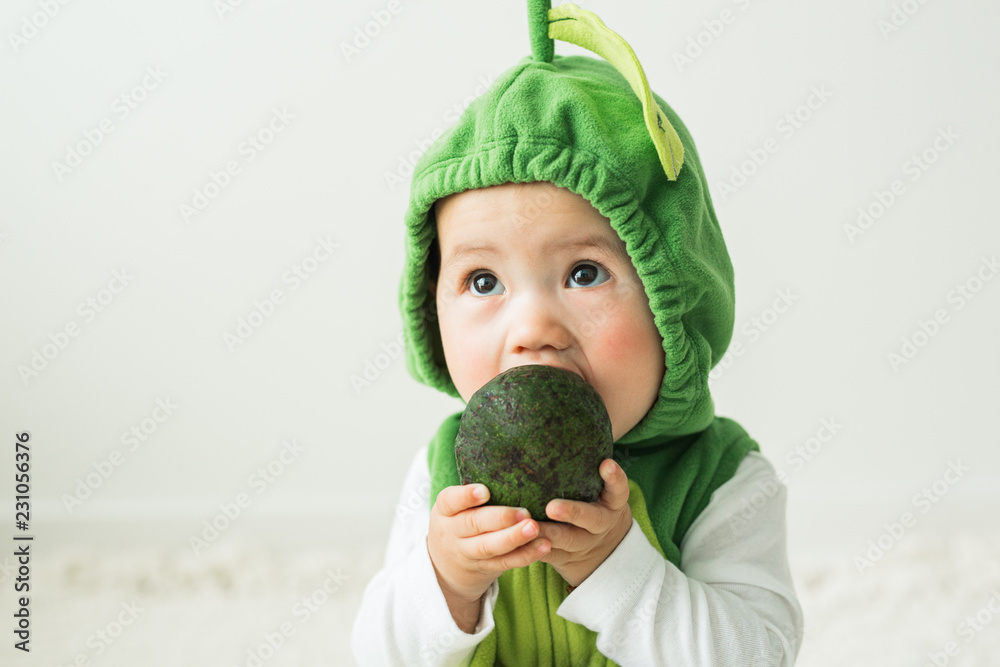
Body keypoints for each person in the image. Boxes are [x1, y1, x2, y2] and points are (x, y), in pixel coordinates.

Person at [353, 1, 804, 664]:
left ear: (671, 294)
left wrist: (615, 566)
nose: (533, 328)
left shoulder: (721, 480)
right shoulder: (443, 471)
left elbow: (756, 655)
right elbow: (376, 653)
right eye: (483, 282)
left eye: (585, 272)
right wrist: (445, 580)